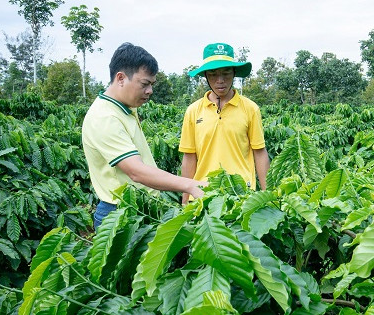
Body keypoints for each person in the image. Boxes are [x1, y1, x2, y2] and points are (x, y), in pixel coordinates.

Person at [82, 42, 206, 229]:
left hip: (140, 208)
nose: (150, 91)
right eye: (144, 84)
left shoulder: (125, 108)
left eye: (152, 84)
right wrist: (190, 185)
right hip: (120, 214)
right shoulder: (105, 117)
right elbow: (136, 171)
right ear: (121, 78)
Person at [179, 42, 270, 203]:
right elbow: (189, 157)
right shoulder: (193, 111)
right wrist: (185, 201)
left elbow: (260, 153)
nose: (220, 80)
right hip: (202, 195)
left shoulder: (250, 109)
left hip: (241, 195)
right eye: (213, 74)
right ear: (206, 75)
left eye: (226, 73)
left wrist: (268, 195)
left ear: (234, 73)